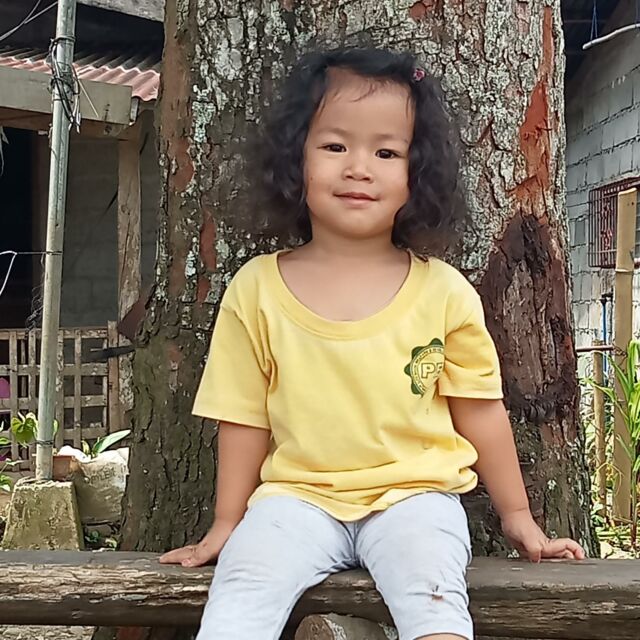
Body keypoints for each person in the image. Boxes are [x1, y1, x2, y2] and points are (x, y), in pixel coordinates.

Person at [160, 47, 585, 640]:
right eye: (335, 146)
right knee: (242, 589)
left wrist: (518, 517)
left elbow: (481, 410)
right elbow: (242, 416)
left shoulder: (444, 293)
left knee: (434, 598)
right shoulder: (255, 289)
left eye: (387, 153)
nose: (359, 168)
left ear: (418, 173)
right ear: (295, 158)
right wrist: (228, 523)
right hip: (295, 502)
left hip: (417, 500)